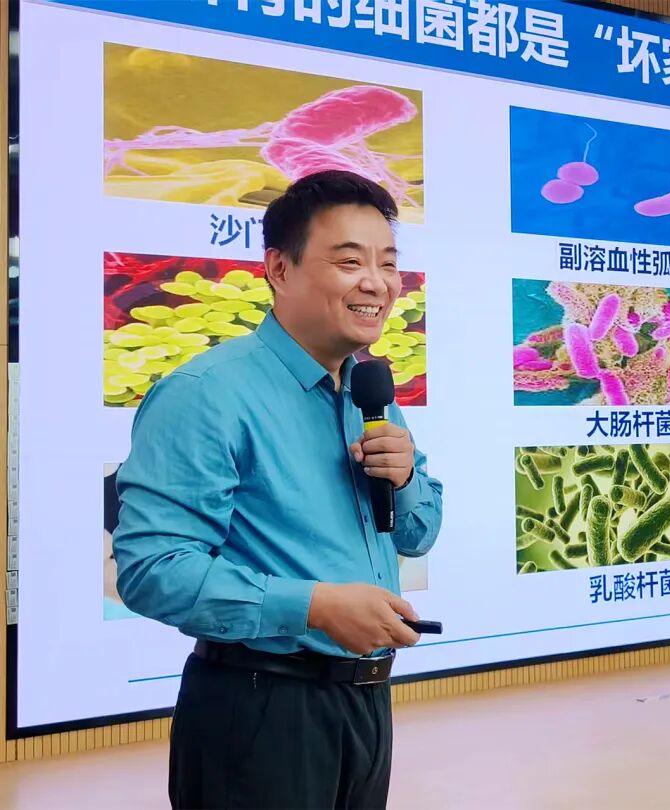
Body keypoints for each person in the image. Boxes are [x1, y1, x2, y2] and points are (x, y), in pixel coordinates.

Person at [112, 170, 444, 810]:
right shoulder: (206, 394)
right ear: (279, 270)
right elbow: (152, 570)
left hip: (366, 703)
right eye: (349, 261)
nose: (376, 283)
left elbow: (418, 533)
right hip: (260, 707)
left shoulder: (369, 392)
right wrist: (314, 606)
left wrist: (405, 481)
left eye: (387, 263)